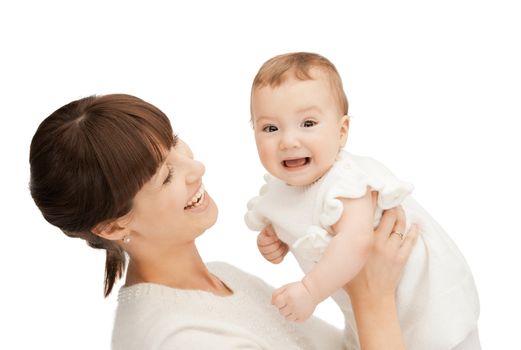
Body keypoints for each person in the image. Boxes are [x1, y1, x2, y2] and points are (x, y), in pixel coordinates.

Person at [29, 93, 416, 350]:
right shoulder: (181, 339)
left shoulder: (222, 277)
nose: (196, 167)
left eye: (175, 143)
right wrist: (373, 299)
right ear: (113, 226)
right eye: (165, 176)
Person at [245, 52, 481, 350]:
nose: (288, 140)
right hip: (374, 312)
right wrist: (277, 241)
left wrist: (310, 290)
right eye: (270, 128)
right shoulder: (283, 190)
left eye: (307, 123)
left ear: (341, 131)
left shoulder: (347, 182)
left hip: (428, 306)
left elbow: (356, 242)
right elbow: (301, 225)